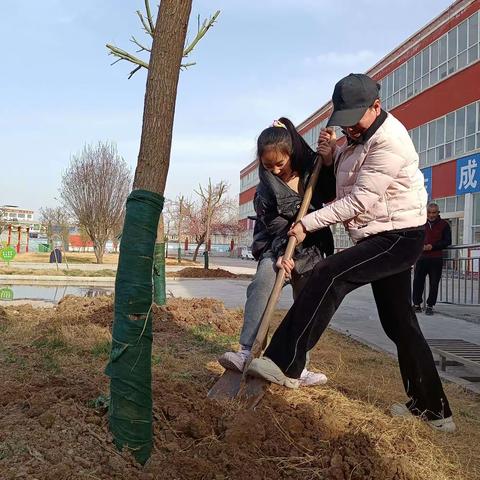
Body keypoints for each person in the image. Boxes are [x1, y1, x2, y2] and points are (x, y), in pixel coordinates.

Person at [247, 74, 455, 432]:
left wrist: (307, 223)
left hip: (398, 236)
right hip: (377, 235)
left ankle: (284, 363)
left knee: (330, 274)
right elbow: (342, 178)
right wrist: (330, 155)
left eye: (354, 121)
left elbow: (357, 200)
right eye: (343, 121)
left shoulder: (390, 142)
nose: (349, 129)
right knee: (400, 324)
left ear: (376, 107)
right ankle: (434, 410)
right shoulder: (356, 139)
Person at [218, 117, 336, 387]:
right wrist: (284, 253)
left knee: (308, 300)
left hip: (312, 246)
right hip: (276, 244)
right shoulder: (265, 189)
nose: (275, 170)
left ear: (291, 154)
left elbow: (331, 191)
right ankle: (247, 350)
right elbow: (274, 225)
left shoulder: (311, 169)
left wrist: (328, 158)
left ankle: (298, 366)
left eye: (280, 164)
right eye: (268, 165)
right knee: (262, 283)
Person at [412, 203, 452, 315]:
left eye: (434, 212)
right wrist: (420, 246)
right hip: (421, 258)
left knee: (434, 283)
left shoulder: (444, 225)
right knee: (417, 282)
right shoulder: (420, 224)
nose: (431, 215)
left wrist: (432, 246)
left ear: (438, 213)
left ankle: (430, 306)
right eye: (429, 212)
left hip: (436, 258)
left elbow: (447, 241)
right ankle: (416, 305)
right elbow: (414, 238)